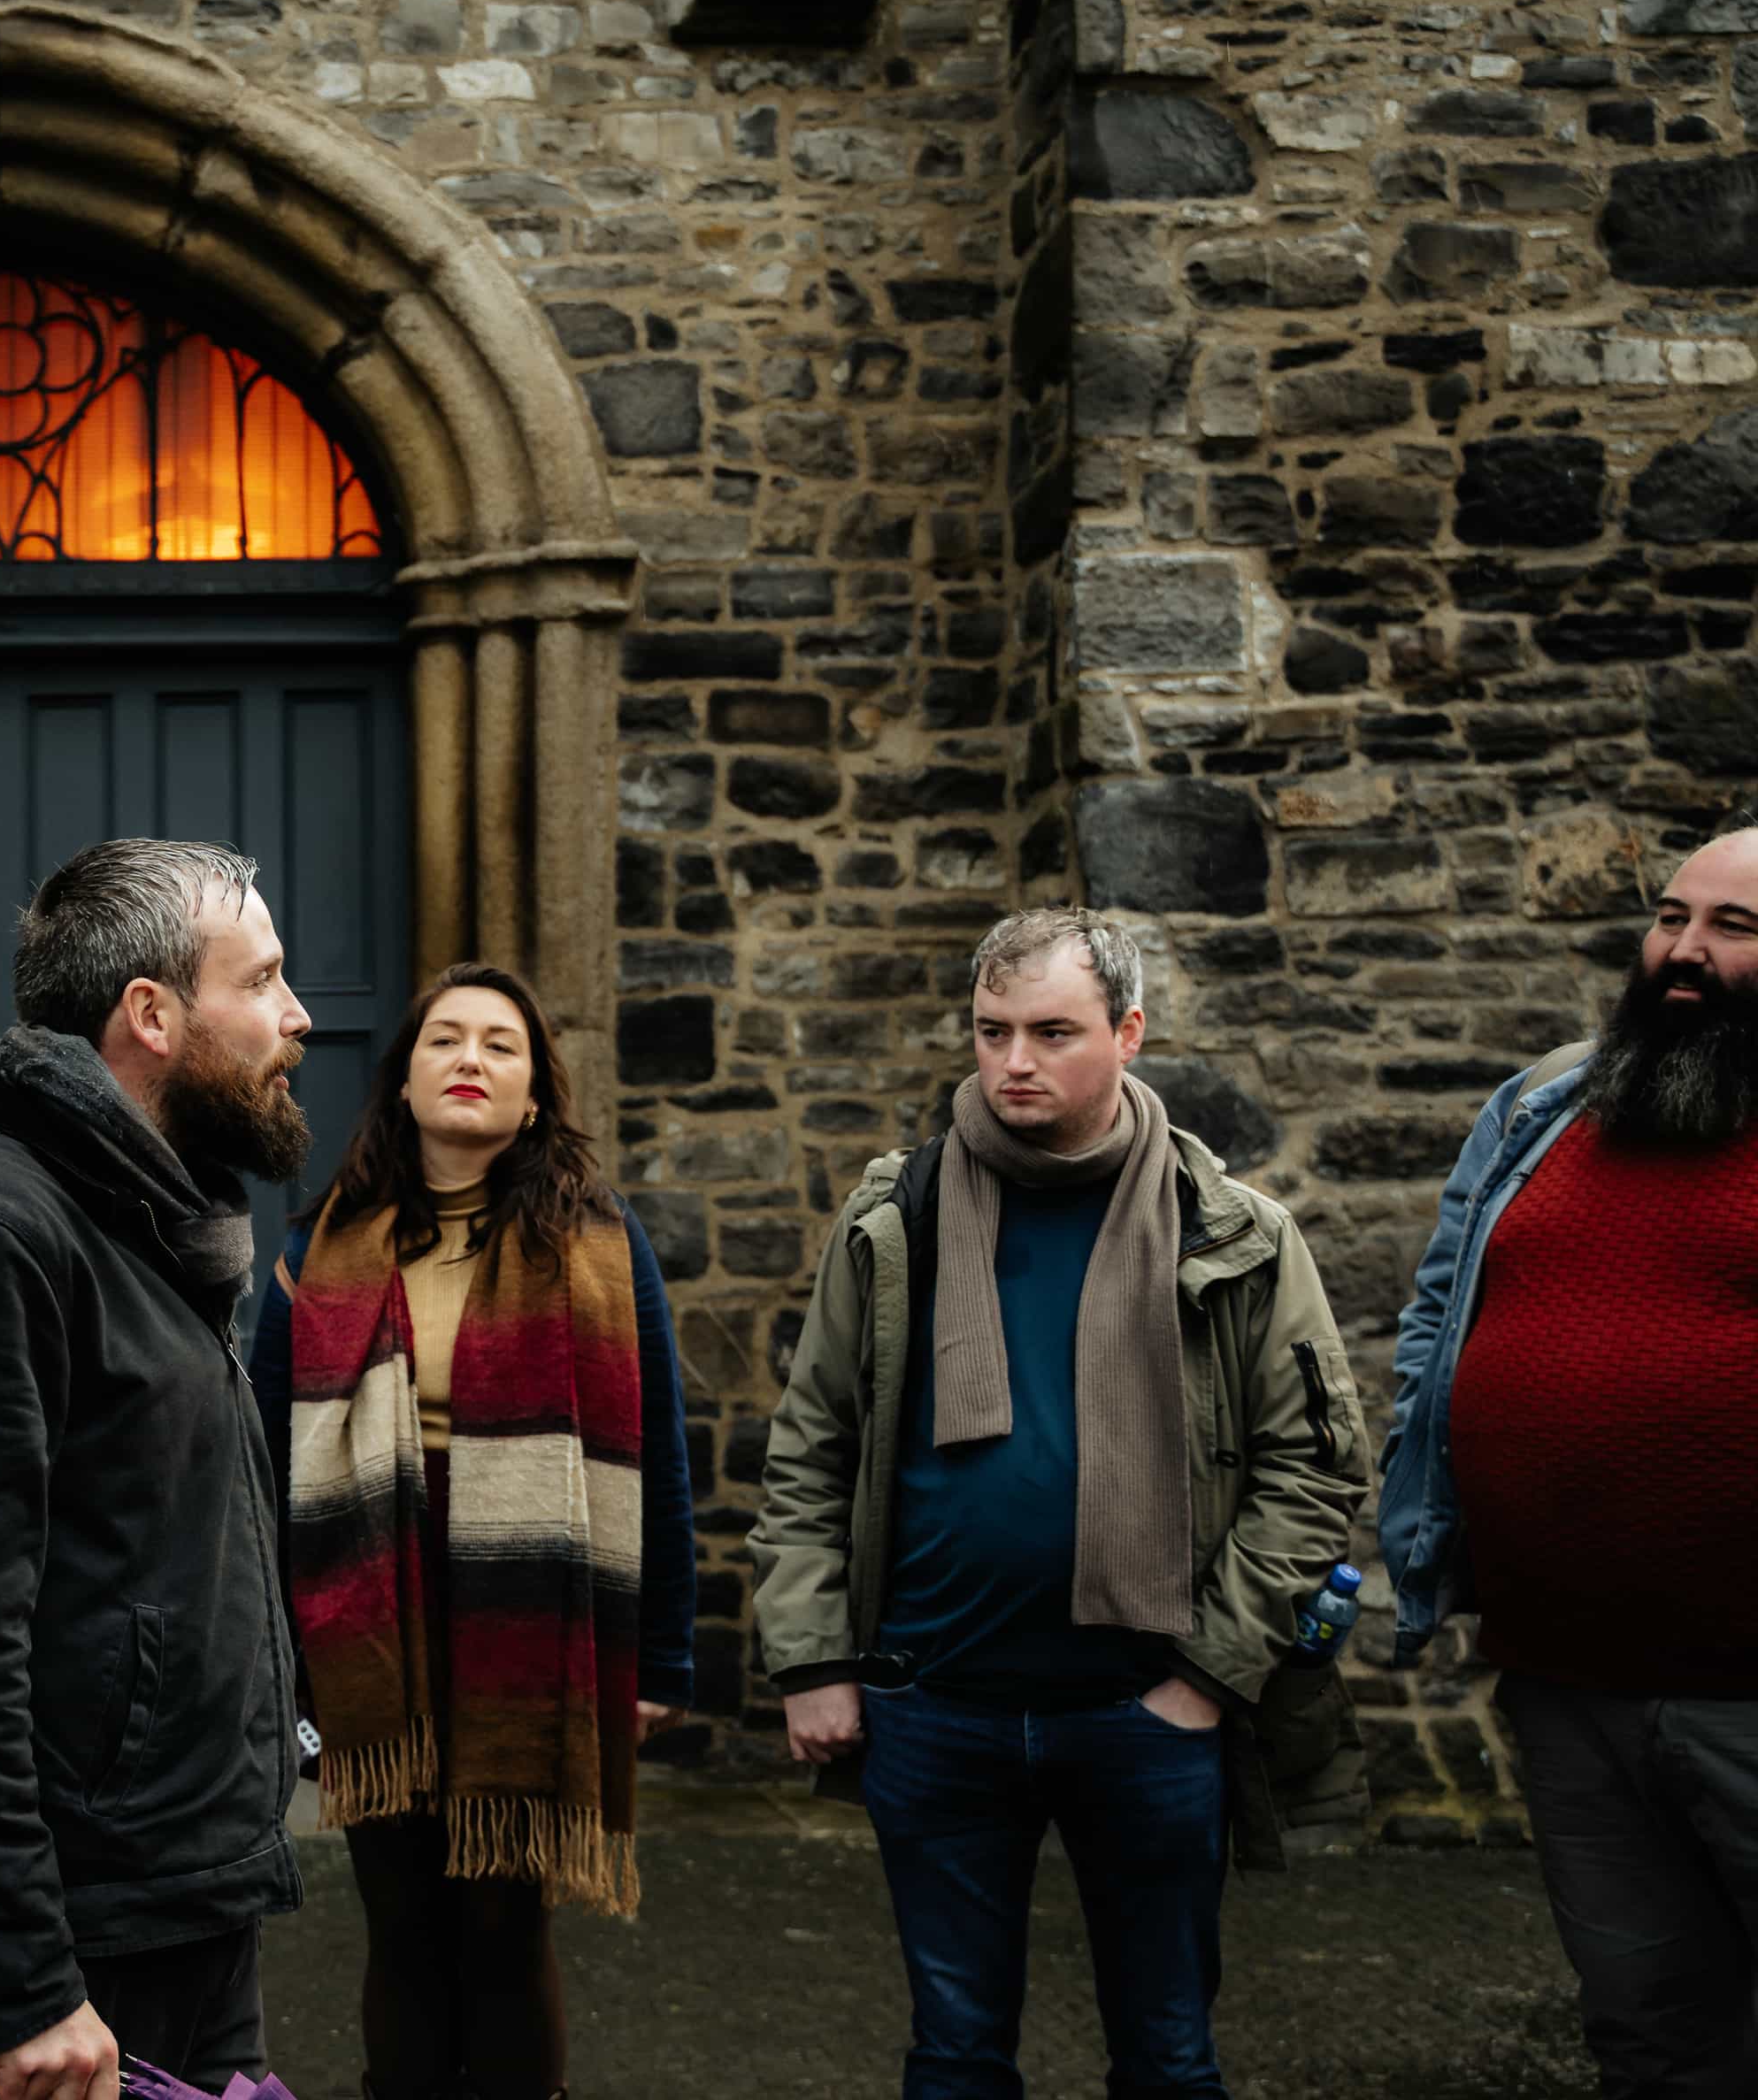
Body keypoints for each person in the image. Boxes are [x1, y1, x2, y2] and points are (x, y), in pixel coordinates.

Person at [751, 906, 1370, 2100]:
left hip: (1145, 1717)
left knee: (1170, 2056)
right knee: (954, 2054)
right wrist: (813, 1656)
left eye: (1052, 1031)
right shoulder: (900, 1217)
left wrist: (1205, 1680)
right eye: (991, 1032)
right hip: (935, 1707)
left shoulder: (1232, 1231)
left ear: (1129, 1033)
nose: (1015, 1062)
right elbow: (813, 1442)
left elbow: (1312, 1470)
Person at [0, 837, 313, 2100]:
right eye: (260, 982)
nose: (297, 1018)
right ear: (150, 1014)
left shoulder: (143, 1224)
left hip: (173, 1901)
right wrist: (27, 1983)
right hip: (58, 1951)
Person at [246, 962, 695, 2100]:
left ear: (535, 1095)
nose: (470, 1061)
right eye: (445, 1040)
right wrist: (274, 1649)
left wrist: (663, 1656)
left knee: (503, 1926)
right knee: (402, 1927)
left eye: (502, 1046)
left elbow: (663, 1456)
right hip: (370, 1619)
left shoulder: (600, 1246)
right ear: (403, 1081)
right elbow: (255, 1460)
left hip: (530, 1623)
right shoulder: (320, 1251)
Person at [1378, 811, 1758, 2100]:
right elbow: (1440, 1311)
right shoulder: (1546, 1102)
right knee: (1648, 2035)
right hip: (1567, 1682)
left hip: (1747, 1691)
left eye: (1731, 927)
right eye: (1670, 917)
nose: (1682, 952)